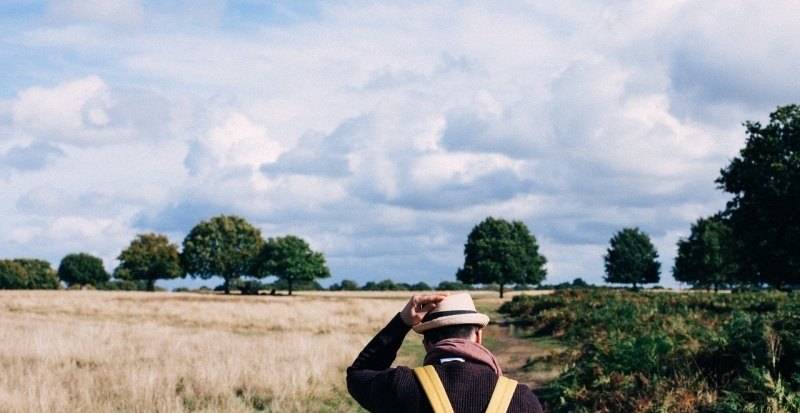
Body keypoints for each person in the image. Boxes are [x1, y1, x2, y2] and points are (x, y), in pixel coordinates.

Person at [347, 292, 544, 412]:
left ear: (426, 344)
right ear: (478, 338)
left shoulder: (402, 386)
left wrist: (402, 322)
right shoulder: (520, 398)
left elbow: (358, 375)